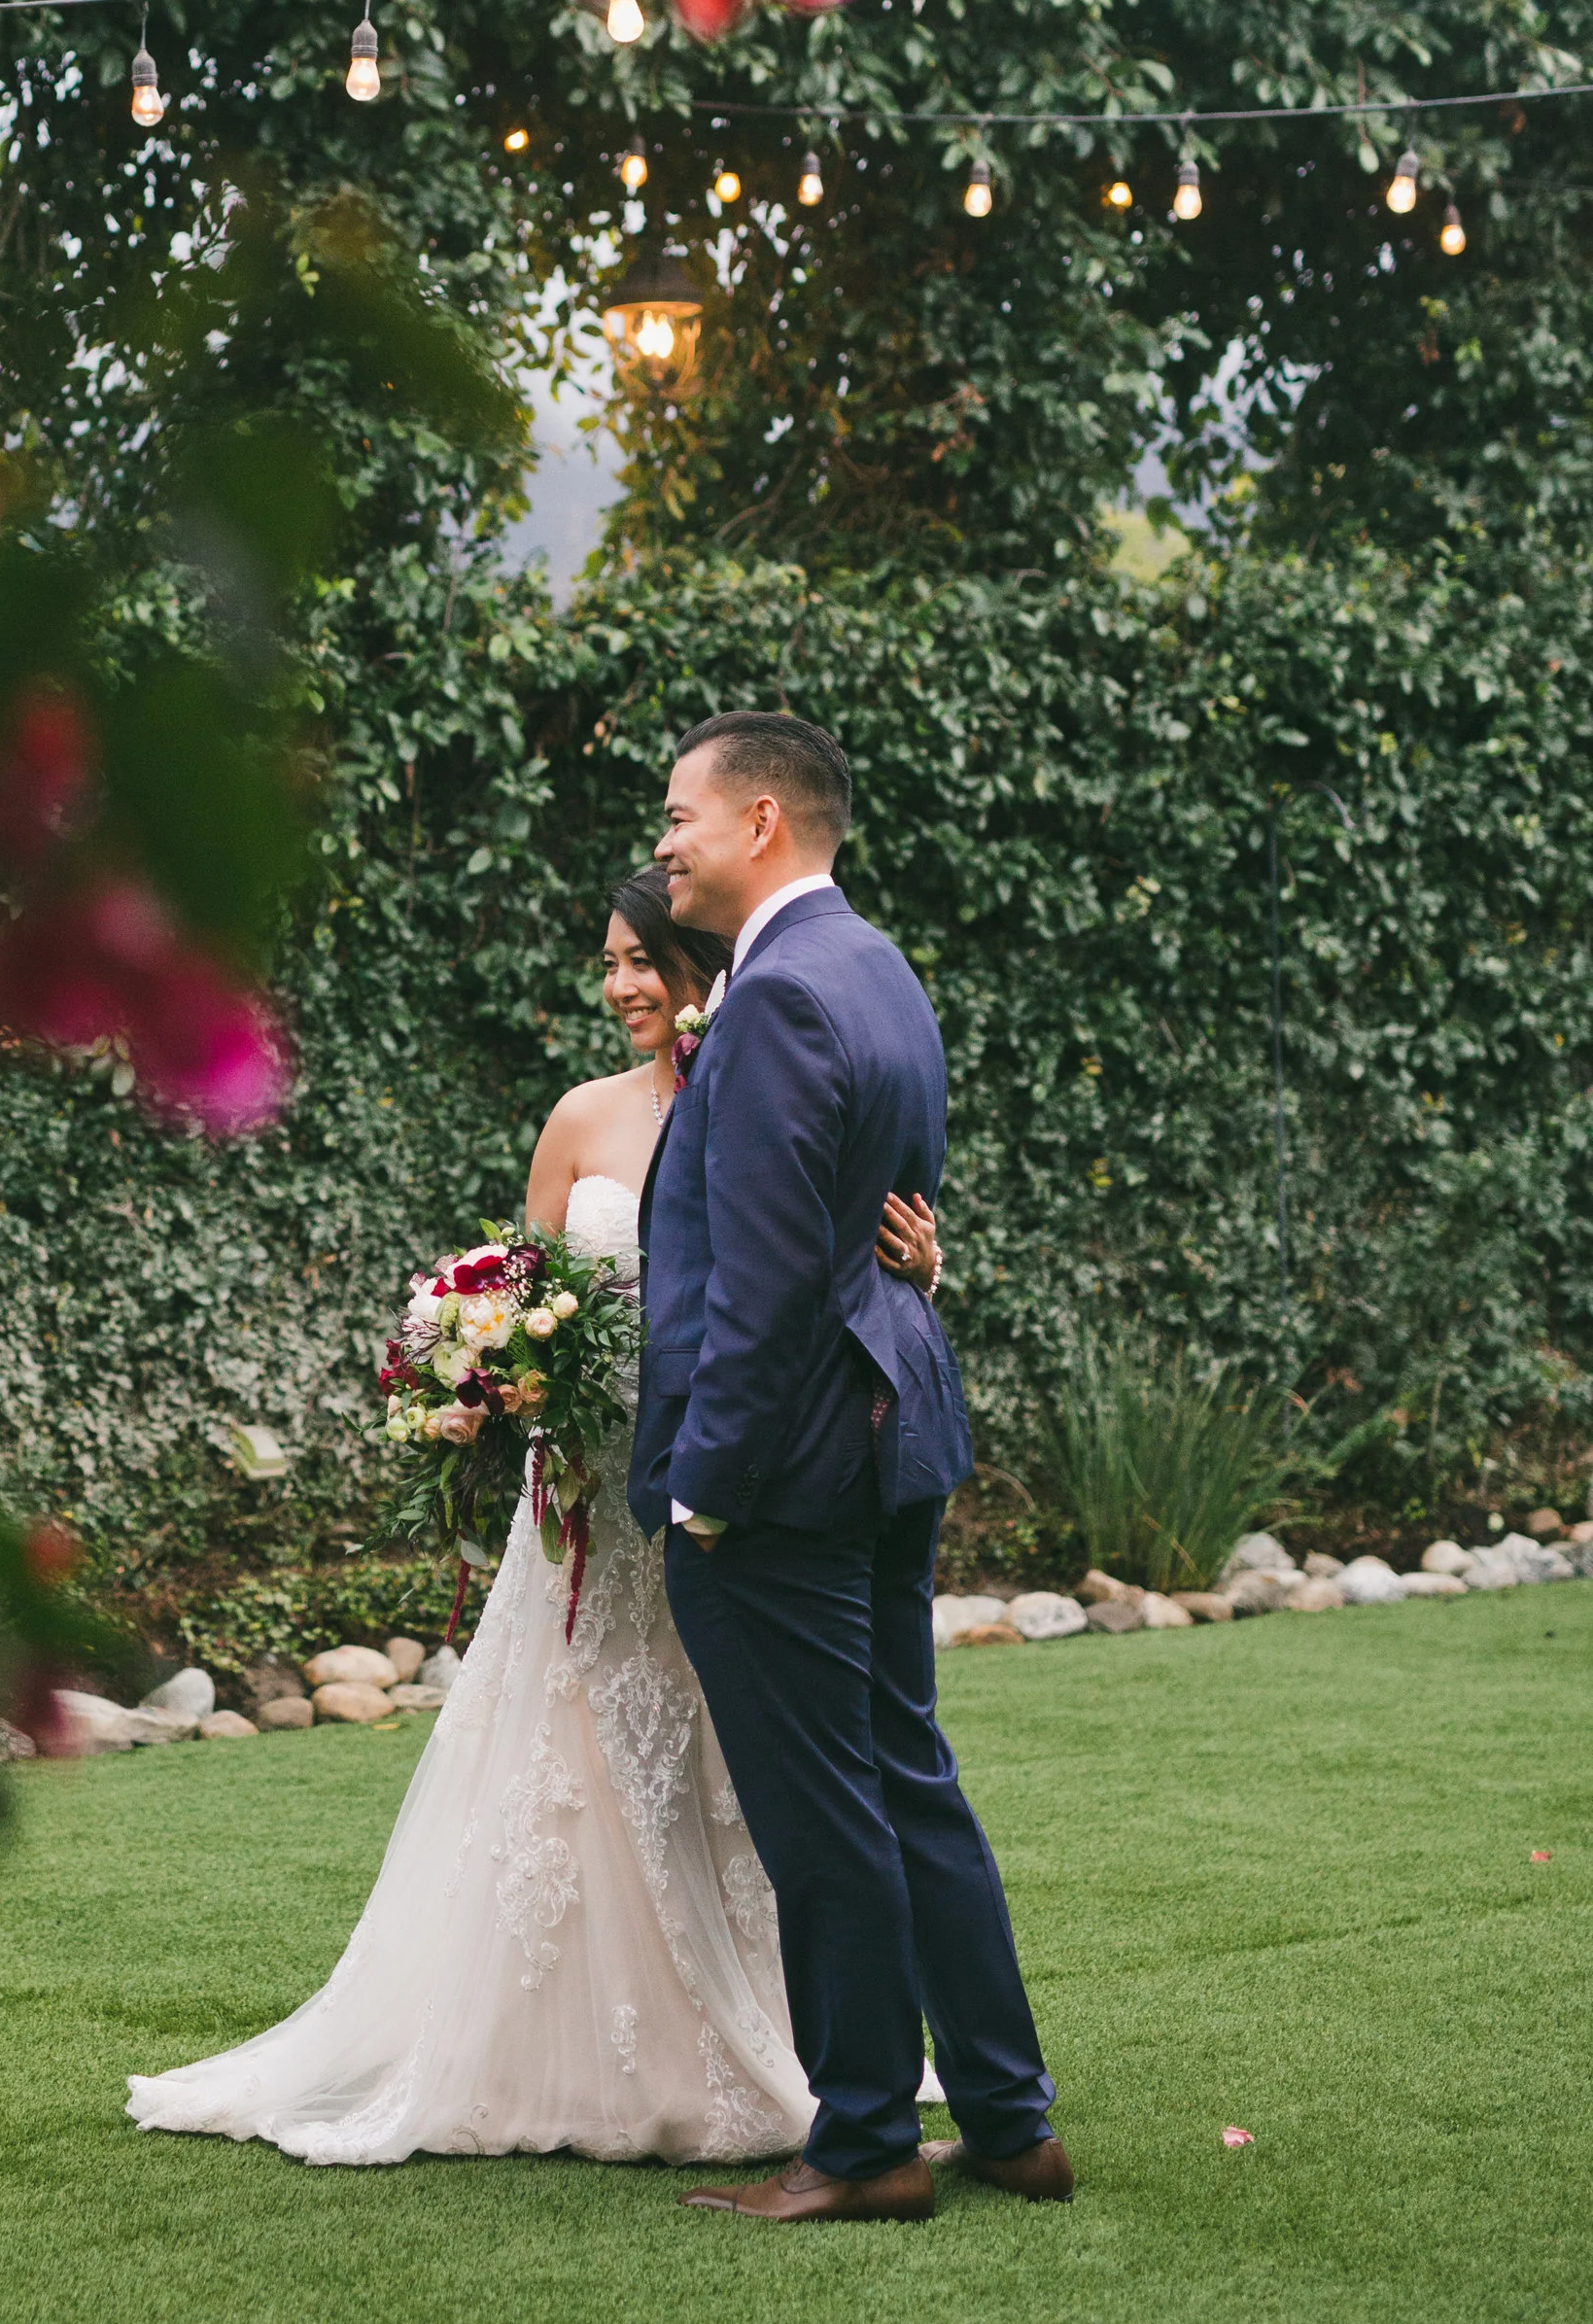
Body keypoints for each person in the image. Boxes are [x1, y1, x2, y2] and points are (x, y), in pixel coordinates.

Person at [124, 865, 940, 2167]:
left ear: (698, 968)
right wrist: (475, 1379)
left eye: (642, 959)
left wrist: (921, 1265)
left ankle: (798, 2033)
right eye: (607, 959)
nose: (620, 983)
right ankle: (565, 2050)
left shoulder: (768, 1083)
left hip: (730, 1482)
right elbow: (515, 1286)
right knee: (573, 1753)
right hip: (585, 1497)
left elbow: (816, 1259)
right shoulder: (580, 1117)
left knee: (733, 1760)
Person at [636, 709, 1068, 2226]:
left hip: (791, 1468)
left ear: (761, 820)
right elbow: (878, 1226)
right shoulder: (877, 968)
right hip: (889, 1435)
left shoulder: (771, 1001)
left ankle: (870, 2136)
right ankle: (1010, 2120)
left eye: (680, 812)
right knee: (906, 1774)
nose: (663, 838)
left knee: (824, 1809)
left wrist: (709, 1485)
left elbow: (758, 1281)